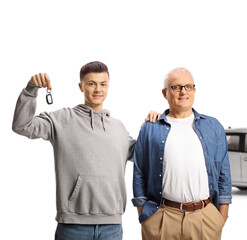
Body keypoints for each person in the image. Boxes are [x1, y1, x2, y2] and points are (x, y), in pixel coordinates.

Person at [12, 61, 158, 240]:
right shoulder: (61, 120)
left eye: (103, 84)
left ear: (108, 86)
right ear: (81, 87)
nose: (98, 89)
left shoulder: (118, 127)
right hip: (73, 226)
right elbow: (22, 125)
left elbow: (142, 156)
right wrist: (31, 90)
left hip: (112, 226)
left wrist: (151, 127)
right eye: (91, 83)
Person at [132, 67, 232, 240]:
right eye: (176, 87)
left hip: (205, 217)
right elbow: (139, 172)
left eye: (188, 86)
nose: (183, 91)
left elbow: (224, 173)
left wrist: (221, 217)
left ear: (194, 90)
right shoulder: (150, 128)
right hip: (162, 218)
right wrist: (145, 215)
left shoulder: (213, 127)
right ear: (165, 93)